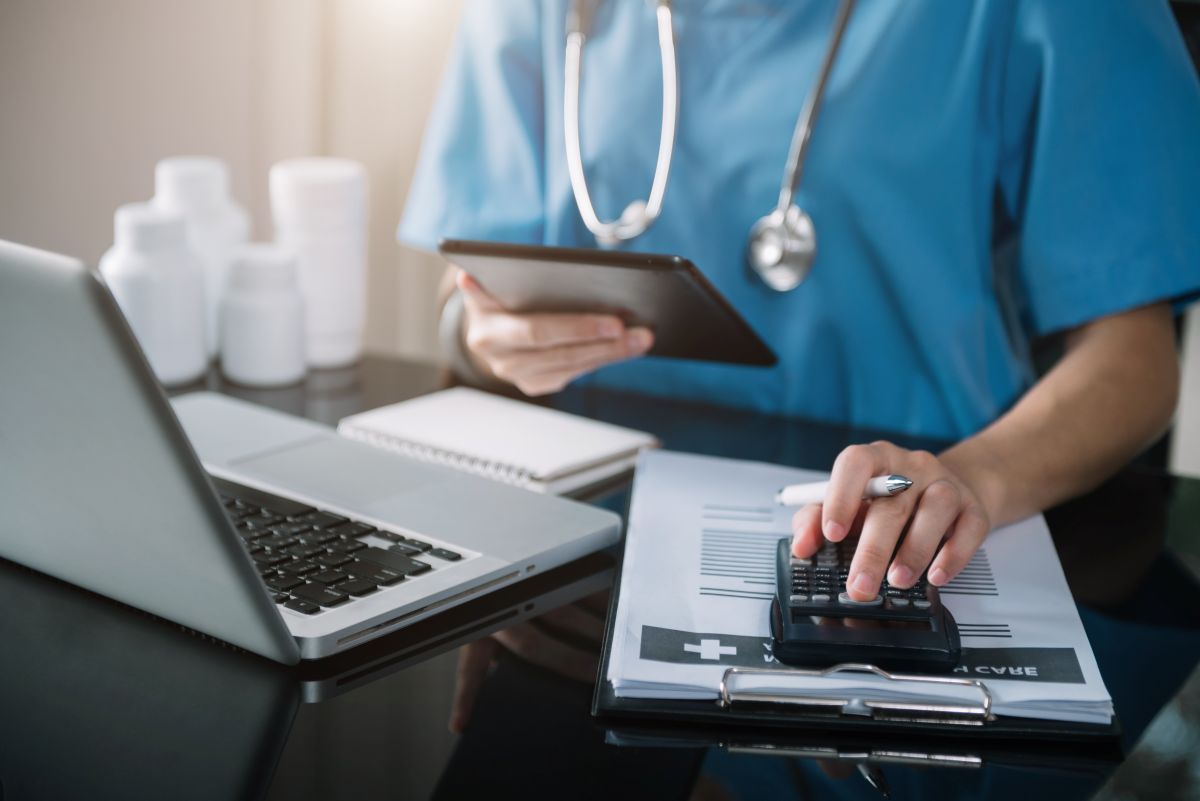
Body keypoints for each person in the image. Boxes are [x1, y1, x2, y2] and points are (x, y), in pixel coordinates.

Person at [399, 0, 1200, 601]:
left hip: (892, 543)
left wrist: (972, 478)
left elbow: (1132, 356)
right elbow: (466, 291)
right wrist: (482, 336)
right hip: (580, 554)